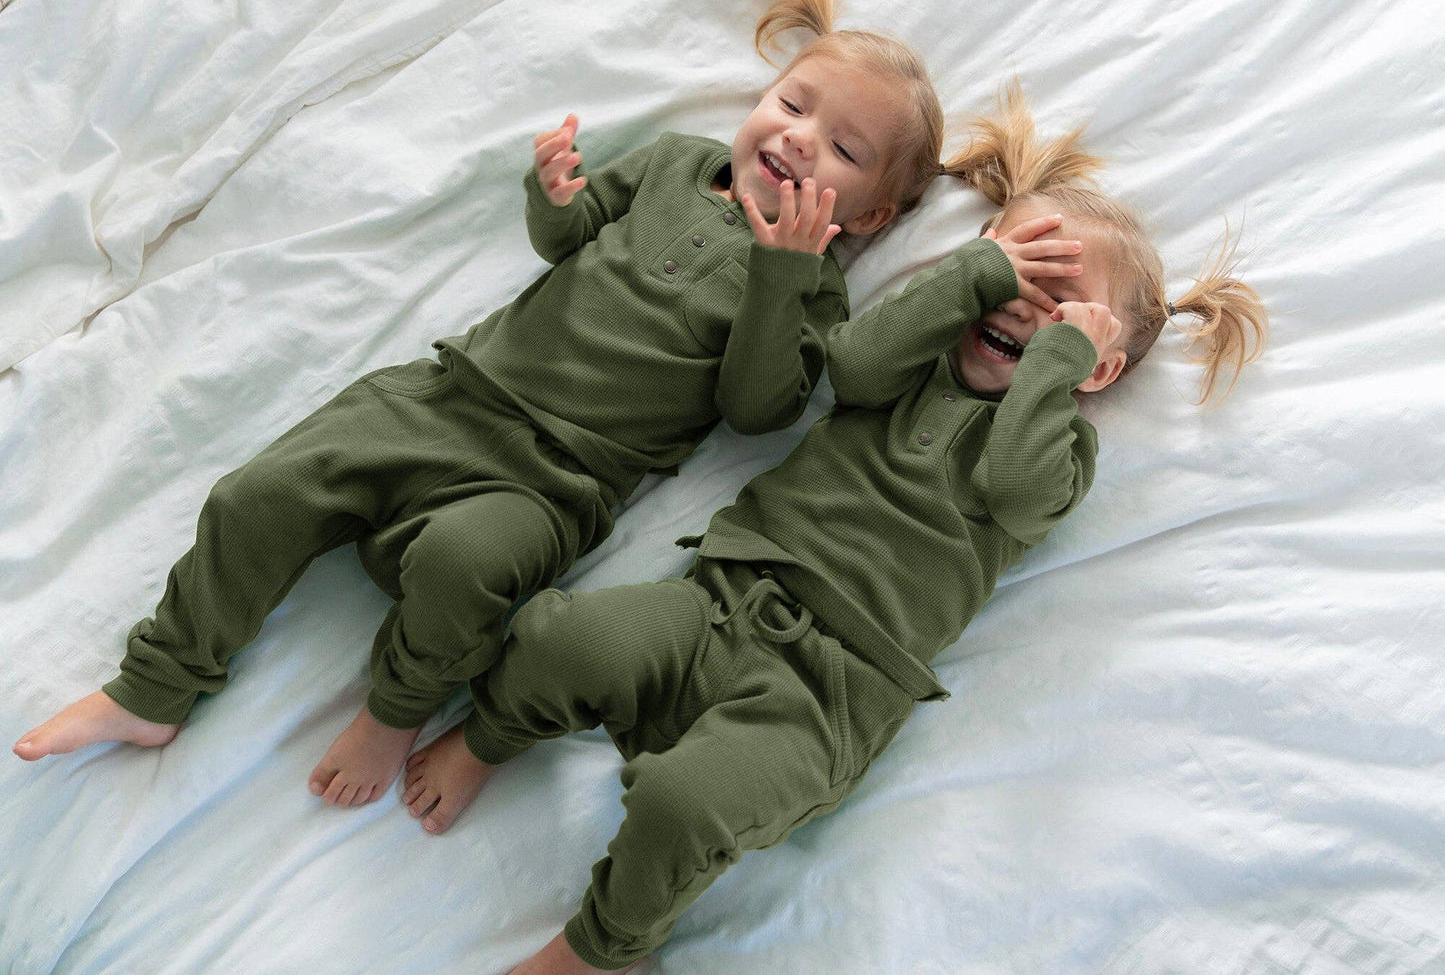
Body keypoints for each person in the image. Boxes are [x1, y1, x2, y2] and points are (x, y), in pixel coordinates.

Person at [11, 0, 963, 815]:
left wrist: (781, 274)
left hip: (550, 482)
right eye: (793, 105)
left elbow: (756, 410)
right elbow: (570, 239)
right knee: (259, 493)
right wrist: (551, 197)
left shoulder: (811, 298)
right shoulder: (679, 165)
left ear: (871, 215)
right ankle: (157, 683)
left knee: (466, 566)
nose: (798, 139)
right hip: (446, 396)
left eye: (842, 149)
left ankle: (397, 706)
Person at [393, 82, 1270, 974]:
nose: (1019, 306)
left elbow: (1010, 485)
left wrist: (1048, 368)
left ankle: (599, 947)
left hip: (828, 693)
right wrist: (974, 276)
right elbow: (850, 364)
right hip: (721, 597)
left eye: (1058, 305)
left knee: (683, 806)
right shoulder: (914, 357)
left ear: (1096, 366)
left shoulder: (1057, 451)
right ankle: (488, 735)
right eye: (1012, 273)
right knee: (561, 641)